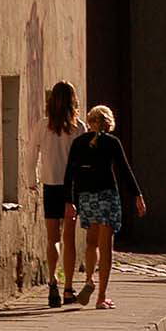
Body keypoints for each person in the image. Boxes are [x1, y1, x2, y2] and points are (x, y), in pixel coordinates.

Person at [63, 105, 146, 309]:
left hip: (86, 197)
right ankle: (101, 297)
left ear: (90, 122)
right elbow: (124, 170)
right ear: (109, 123)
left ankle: (89, 278)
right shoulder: (112, 142)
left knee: (91, 242)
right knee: (105, 246)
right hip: (107, 196)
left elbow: (70, 174)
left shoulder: (79, 142)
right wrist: (137, 195)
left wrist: (69, 200)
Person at [23, 81, 86, 307]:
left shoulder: (43, 126)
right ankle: (68, 287)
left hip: (50, 185)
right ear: (73, 101)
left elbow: (30, 155)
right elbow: (84, 161)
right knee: (69, 238)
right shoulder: (79, 128)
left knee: (53, 238)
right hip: (72, 188)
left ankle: (52, 281)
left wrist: (32, 180)